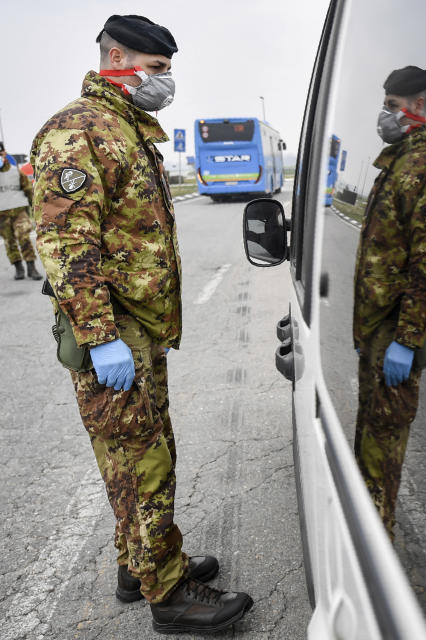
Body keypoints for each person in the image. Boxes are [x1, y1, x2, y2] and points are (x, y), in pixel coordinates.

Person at [31, 15, 252, 634]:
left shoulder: (123, 128)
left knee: (136, 456)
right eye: (157, 70)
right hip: (114, 334)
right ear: (118, 56)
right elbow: (65, 244)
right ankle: (170, 594)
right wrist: (101, 338)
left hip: (136, 332)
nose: (166, 81)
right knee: (144, 459)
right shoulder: (80, 132)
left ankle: (143, 562)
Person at [353, 65, 426, 540]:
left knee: (380, 457)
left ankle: (374, 564)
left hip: (395, 338)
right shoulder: (398, 163)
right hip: (378, 336)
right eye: (385, 104)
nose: (386, 115)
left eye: (393, 106)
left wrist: (407, 339)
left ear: (418, 106)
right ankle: (363, 543)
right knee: (369, 443)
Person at [0, 142, 43, 280]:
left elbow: (28, 190)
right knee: (9, 241)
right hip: (1, 215)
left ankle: (32, 267)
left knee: (24, 236)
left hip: (19, 212)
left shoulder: (16, 171)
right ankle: (18, 268)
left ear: (4, 154)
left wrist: (35, 209)